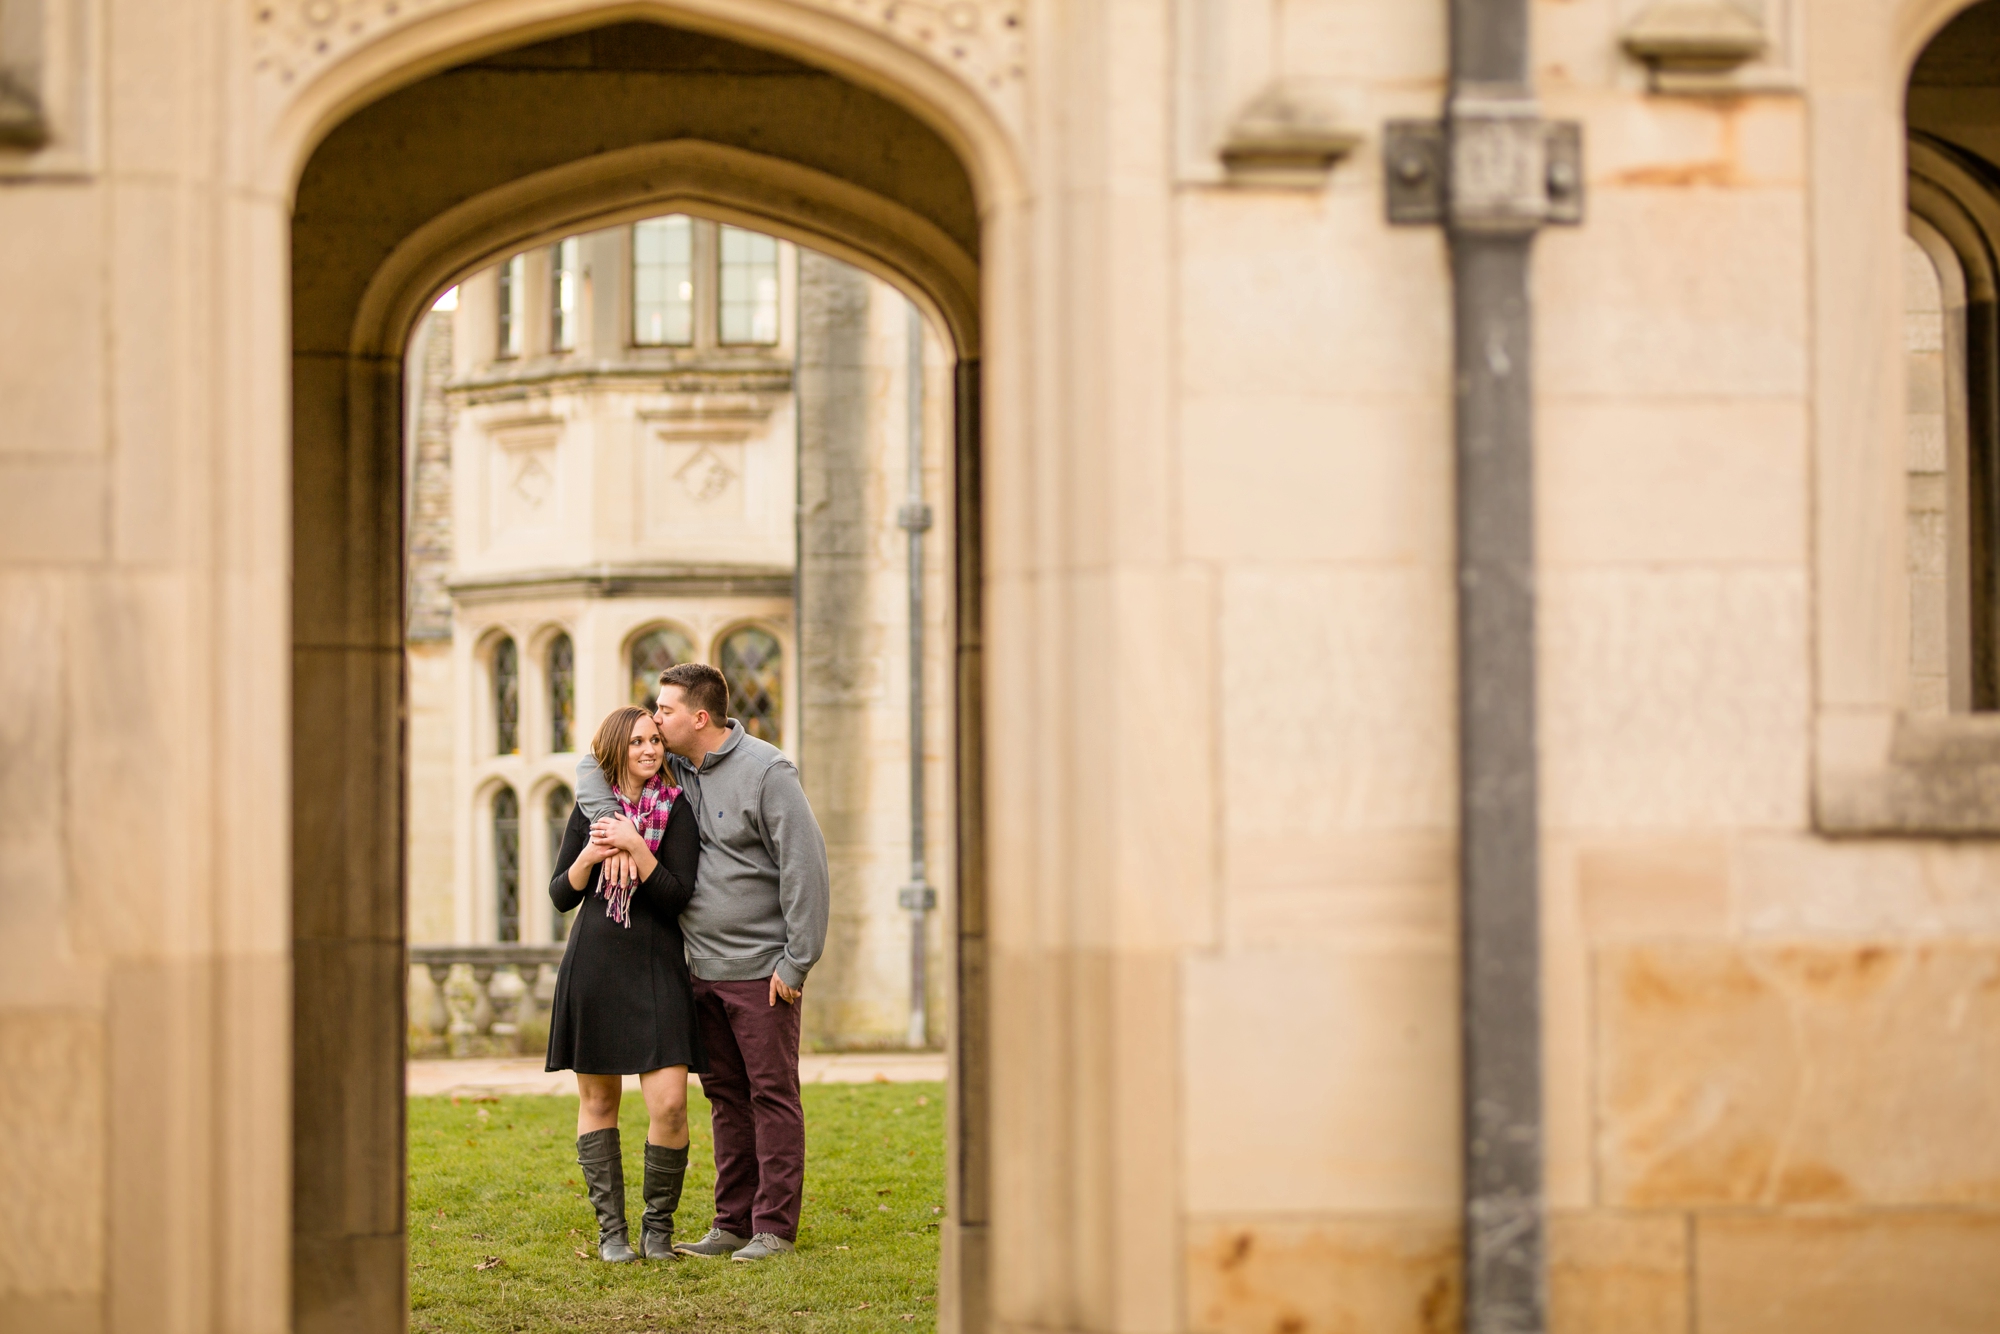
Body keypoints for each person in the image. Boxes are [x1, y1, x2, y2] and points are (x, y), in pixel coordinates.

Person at [578, 661, 830, 1262]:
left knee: (771, 1094)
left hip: (763, 970)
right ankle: (732, 1223)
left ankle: (773, 1227)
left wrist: (796, 962)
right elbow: (594, 761)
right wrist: (608, 822)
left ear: (698, 716)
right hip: (699, 969)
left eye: (663, 710)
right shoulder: (678, 770)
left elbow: (806, 868)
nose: (655, 718)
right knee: (724, 1096)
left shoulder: (768, 771)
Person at [546, 704, 703, 1263]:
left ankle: (656, 1230)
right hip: (595, 964)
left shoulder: (677, 810)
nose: (649, 750)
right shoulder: (593, 810)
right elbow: (561, 895)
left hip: (657, 965)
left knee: (670, 1106)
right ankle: (611, 1233)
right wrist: (593, 851)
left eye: (655, 741)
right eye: (637, 741)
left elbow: (675, 896)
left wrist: (636, 846)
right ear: (618, 749)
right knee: (598, 1099)